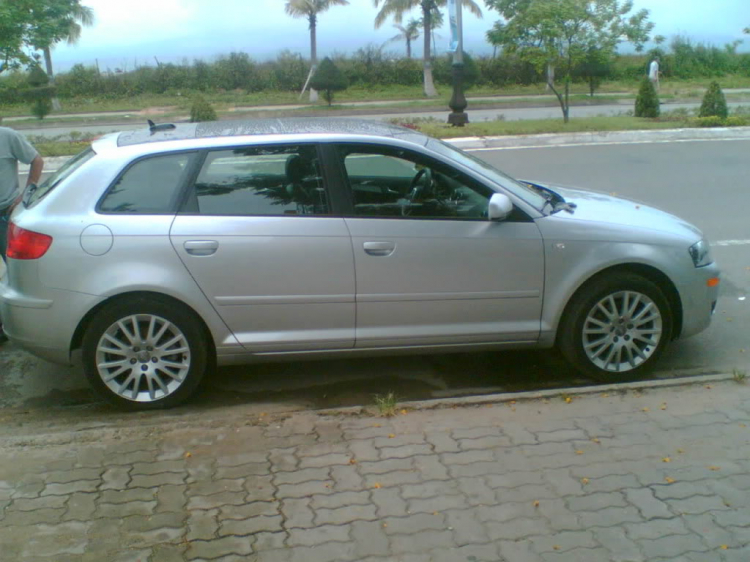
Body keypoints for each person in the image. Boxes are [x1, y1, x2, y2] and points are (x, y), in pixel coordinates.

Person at [0, 125, 44, 344]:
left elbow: (36, 160)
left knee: (17, 275)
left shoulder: (7, 136)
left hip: (4, 217)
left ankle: (22, 326)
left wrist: (27, 193)